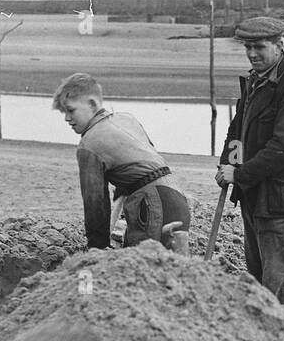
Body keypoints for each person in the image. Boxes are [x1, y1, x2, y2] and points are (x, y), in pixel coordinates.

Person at [214, 17, 284, 310]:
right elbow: (238, 132)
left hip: (281, 202)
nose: (252, 53)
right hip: (254, 196)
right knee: (260, 278)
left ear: (279, 46)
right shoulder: (255, 82)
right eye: (247, 47)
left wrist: (240, 172)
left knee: (280, 284)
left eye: (259, 47)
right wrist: (228, 165)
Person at [52, 73, 191, 250]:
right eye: (64, 112)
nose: (66, 118)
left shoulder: (89, 144)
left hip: (152, 205)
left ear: (92, 104)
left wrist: (97, 248)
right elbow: (145, 161)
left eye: (71, 110)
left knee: (144, 266)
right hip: (177, 196)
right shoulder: (127, 119)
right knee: (174, 267)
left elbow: (95, 205)